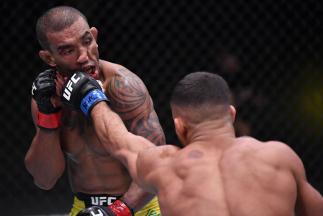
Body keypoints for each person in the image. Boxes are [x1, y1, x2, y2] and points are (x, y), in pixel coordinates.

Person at [62, 71, 323, 216]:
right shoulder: (279, 156)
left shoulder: (165, 166)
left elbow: (120, 142)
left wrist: (91, 96)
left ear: (179, 126)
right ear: (231, 114)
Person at [25, 6, 165, 216]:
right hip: (84, 208)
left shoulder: (123, 87)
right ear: (49, 58)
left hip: (139, 207)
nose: (84, 56)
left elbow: (157, 166)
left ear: (95, 36)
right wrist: (48, 117)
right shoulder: (47, 96)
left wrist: (118, 211)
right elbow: (45, 179)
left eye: (87, 41)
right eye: (68, 50)